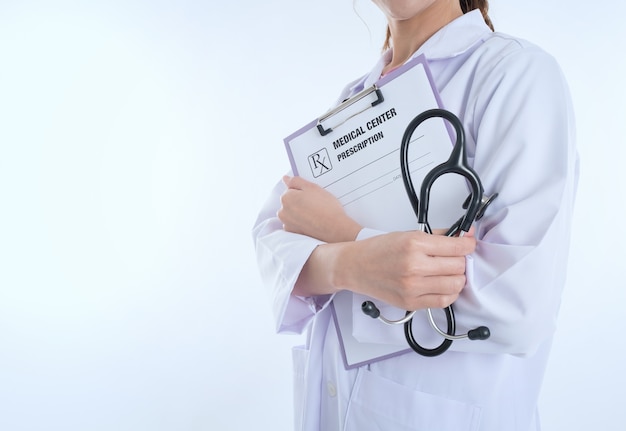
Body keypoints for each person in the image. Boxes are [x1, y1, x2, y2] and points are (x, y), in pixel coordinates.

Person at [252, 1, 579, 430]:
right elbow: (276, 234)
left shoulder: (516, 75)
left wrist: (340, 236)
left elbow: (517, 302)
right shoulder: (353, 100)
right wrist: (351, 263)